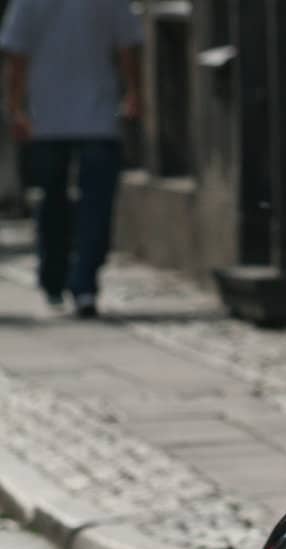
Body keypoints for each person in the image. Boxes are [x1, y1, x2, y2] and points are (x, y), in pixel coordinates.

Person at [0, 0, 143, 318]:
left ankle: (56, 277)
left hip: (48, 117)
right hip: (97, 117)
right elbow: (127, 48)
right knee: (95, 204)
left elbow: (16, 56)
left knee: (53, 200)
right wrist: (133, 93)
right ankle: (83, 283)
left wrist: (16, 109)